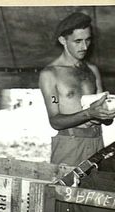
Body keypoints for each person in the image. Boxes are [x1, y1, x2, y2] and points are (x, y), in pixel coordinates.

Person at [39, 12, 115, 166]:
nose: (84, 47)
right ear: (63, 40)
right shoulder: (50, 74)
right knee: (65, 190)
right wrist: (89, 114)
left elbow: (105, 118)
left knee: (96, 189)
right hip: (69, 146)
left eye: (88, 40)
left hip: (97, 143)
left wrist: (107, 114)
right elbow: (55, 121)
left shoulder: (92, 70)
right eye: (78, 41)